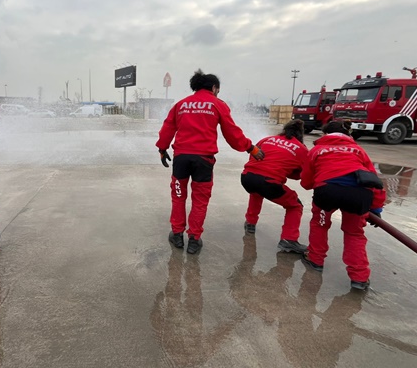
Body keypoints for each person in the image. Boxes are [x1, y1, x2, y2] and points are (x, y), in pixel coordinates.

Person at [156, 69, 264, 254]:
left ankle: (176, 235)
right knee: (200, 200)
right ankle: (194, 240)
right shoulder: (217, 104)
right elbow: (232, 132)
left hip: (181, 159)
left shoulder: (181, 105)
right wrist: (250, 148)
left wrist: (162, 148)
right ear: (214, 88)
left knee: (178, 196)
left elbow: (168, 127)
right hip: (203, 161)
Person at [300, 120, 386, 290]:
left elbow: (306, 181)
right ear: (348, 135)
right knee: (354, 233)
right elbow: (373, 180)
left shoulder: (317, 150)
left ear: (325, 134)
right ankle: (359, 278)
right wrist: (376, 208)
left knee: (320, 224)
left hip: (328, 192)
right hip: (358, 194)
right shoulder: (359, 150)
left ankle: (315, 260)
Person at [240, 119, 309, 253]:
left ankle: (250, 223)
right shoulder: (301, 149)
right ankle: (289, 239)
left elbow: (254, 158)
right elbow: (303, 174)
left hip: (247, 177)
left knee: (256, 192)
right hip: (269, 182)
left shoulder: (267, 139)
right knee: (295, 205)